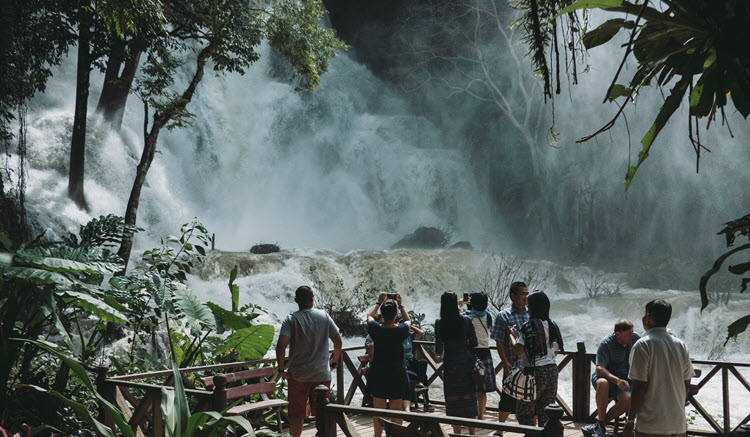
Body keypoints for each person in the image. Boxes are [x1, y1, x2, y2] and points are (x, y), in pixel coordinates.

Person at [276, 286, 342, 437]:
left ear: (296, 301)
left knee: (297, 415)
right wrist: (334, 360)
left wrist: (281, 370)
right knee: (322, 412)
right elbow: (338, 341)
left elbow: (281, 347)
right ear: (313, 300)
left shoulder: (291, 319)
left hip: (298, 376)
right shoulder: (324, 316)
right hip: (321, 374)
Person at [624, 300, 694, 437]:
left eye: (644, 314)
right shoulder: (681, 345)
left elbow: (639, 387)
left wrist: (630, 420)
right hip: (677, 423)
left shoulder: (643, 345)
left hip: (651, 425)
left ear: (648, 318)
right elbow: (686, 382)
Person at [510, 290, 564, 426]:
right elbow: (556, 352)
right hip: (552, 371)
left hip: (534, 372)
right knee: (546, 412)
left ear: (534, 307)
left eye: (529, 305)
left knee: (524, 411)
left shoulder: (528, 326)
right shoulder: (553, 325)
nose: (527, 308)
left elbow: (519, 350)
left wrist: (512, 336)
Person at [582, 319, 640, 437]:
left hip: (625, 379)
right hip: (608, 377)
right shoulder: (606, 343)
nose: (632, 335)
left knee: (628, 398)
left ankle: (600, 425)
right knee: (603, 383)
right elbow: (600, 369)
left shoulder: (635, 339)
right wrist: (616, 380)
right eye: (628, 333)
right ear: (618, 334)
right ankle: (600, 426)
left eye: (632, 332)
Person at [366, 292, 411, 437]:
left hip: (378, 372)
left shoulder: (375, 328)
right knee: (396, 408)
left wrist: (379, 302)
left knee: (378, 409)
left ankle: (377, 436)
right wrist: (401, 305)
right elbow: (408, 320)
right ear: (395, 314)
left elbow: (369, 316)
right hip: (396, 372)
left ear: (382, 314)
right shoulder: (401, 330)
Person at [436, 292, 479, 435]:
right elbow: (475, 342)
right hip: (466, 365)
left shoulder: (440, 323)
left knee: (453, 403)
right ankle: (472, 434)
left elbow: (439, 349)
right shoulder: (466, 320)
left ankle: (457, 434)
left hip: (450, 368)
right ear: (456, 304)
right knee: (470, 401)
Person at [490, 281, 530, 433]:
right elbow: (499, 341)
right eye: (523, 294)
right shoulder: (503, 315)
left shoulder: (531, 313)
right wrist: (504, 362)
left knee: (530, 398)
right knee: (507, 398)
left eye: (527, 294)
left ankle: (530, 431)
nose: (526, 298)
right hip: (512, 364)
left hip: (530, 365)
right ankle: (500, 430)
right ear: (513, 296)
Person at [461, 291, 497, 419]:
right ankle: (481, 415)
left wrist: (462, 304)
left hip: (470, 353)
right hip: (485, 352)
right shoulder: (488, 316)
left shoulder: (466, 316)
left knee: (469, 387)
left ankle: (471, 416)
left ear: (472, 303)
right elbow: (490, 330)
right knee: (482, 389)